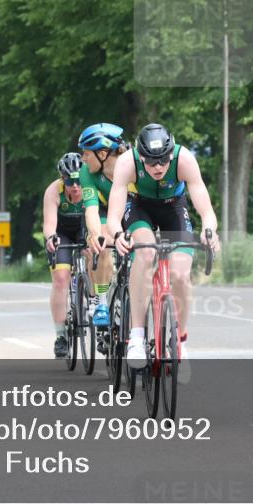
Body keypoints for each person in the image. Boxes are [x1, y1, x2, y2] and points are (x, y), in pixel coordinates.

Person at [106, 123, 220, 373]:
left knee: (180, 275)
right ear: (141, 157)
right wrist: (117, 235)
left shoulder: (184, 159)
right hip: (139, 207)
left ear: (171, 155)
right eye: (150, 162)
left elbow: (206, 210)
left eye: (162, 162)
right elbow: (114, 214)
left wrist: (208, 231)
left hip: (173, 208)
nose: (157, 168)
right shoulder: (127, 162)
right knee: (146, 253)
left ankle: (180, 341)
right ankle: (136, 336)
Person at [78, 122, 127, 333]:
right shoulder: (87, 173)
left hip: (130, 210)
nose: (83, 158)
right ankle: (101, 301)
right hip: (103, 212)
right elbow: (91, 210)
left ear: (103, 153)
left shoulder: (131, 165)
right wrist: (96, 235)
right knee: (102, 243)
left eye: (86, 153)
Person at [43, 152, 86, 358]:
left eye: (78, 180)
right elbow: (49, 224)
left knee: (95, 253)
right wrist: (51, 237)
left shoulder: (90, 188)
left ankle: (98, 306)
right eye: (70, 181)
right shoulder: (54, 191)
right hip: (62, 233)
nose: (75, 186)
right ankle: (61, 336)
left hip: (85, 228)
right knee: (61, 279)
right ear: (63, 179)